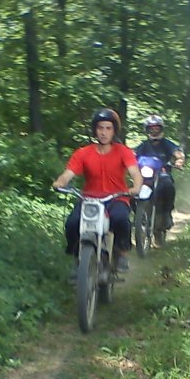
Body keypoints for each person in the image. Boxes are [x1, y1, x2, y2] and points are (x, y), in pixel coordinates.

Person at [53, 107, 143, 272]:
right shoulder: (83, 153)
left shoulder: (123, 152)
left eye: (108, 128)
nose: (104, 132)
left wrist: (136, 187)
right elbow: (68, 173)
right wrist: (60, 182)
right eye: (100, 128)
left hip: (116, 198)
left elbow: (135, 173)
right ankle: (77, 259)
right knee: (72, 223)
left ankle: (122, 253)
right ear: (95, 130)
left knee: (121, 219)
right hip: (89, 199)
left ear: (114, 131)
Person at [133, 114, 185, 230]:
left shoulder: (166, 144)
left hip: (162, 174)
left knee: (168, 186)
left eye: (157, 128)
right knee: (132, 192)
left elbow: (177, 152)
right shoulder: (144, 145)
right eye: (151, 129)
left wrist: (179, 160)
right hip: (145, 175)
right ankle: (139, 217)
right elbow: (133, 154)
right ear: (147, 130)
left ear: (161, 129)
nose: (154, 131)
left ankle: (167, 214)